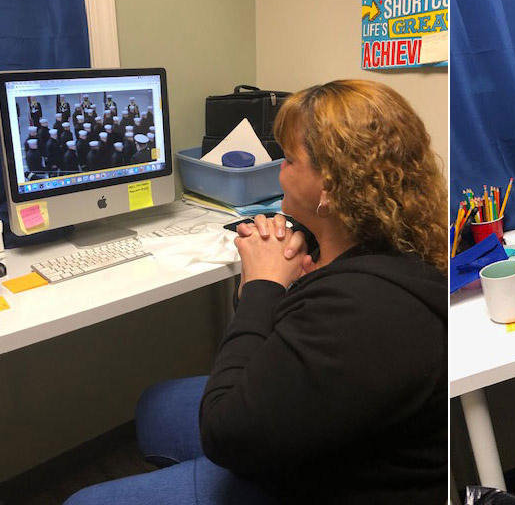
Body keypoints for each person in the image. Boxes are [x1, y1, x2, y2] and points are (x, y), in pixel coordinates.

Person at [65, 80, 448, 504]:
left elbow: (224, 434)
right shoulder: (387, 246)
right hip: (339, 434)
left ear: (332, 188)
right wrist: (287, 287)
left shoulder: (356, 311)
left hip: (335, 482)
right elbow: (303, 345)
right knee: (157, 405)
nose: (278, 171)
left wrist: (261, 287)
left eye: (287, 160)